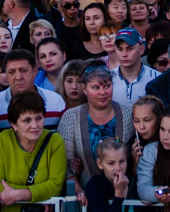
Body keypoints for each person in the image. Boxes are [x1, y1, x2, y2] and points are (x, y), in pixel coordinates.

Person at [57, 63, 134, 191]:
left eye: (107, 86)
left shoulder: (128, 114)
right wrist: (79, 191)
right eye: (96, 87)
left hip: (125, 193)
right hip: (85, 195)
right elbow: (65, 164)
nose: (102, 92)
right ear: (84, 89)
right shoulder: (71, 117)